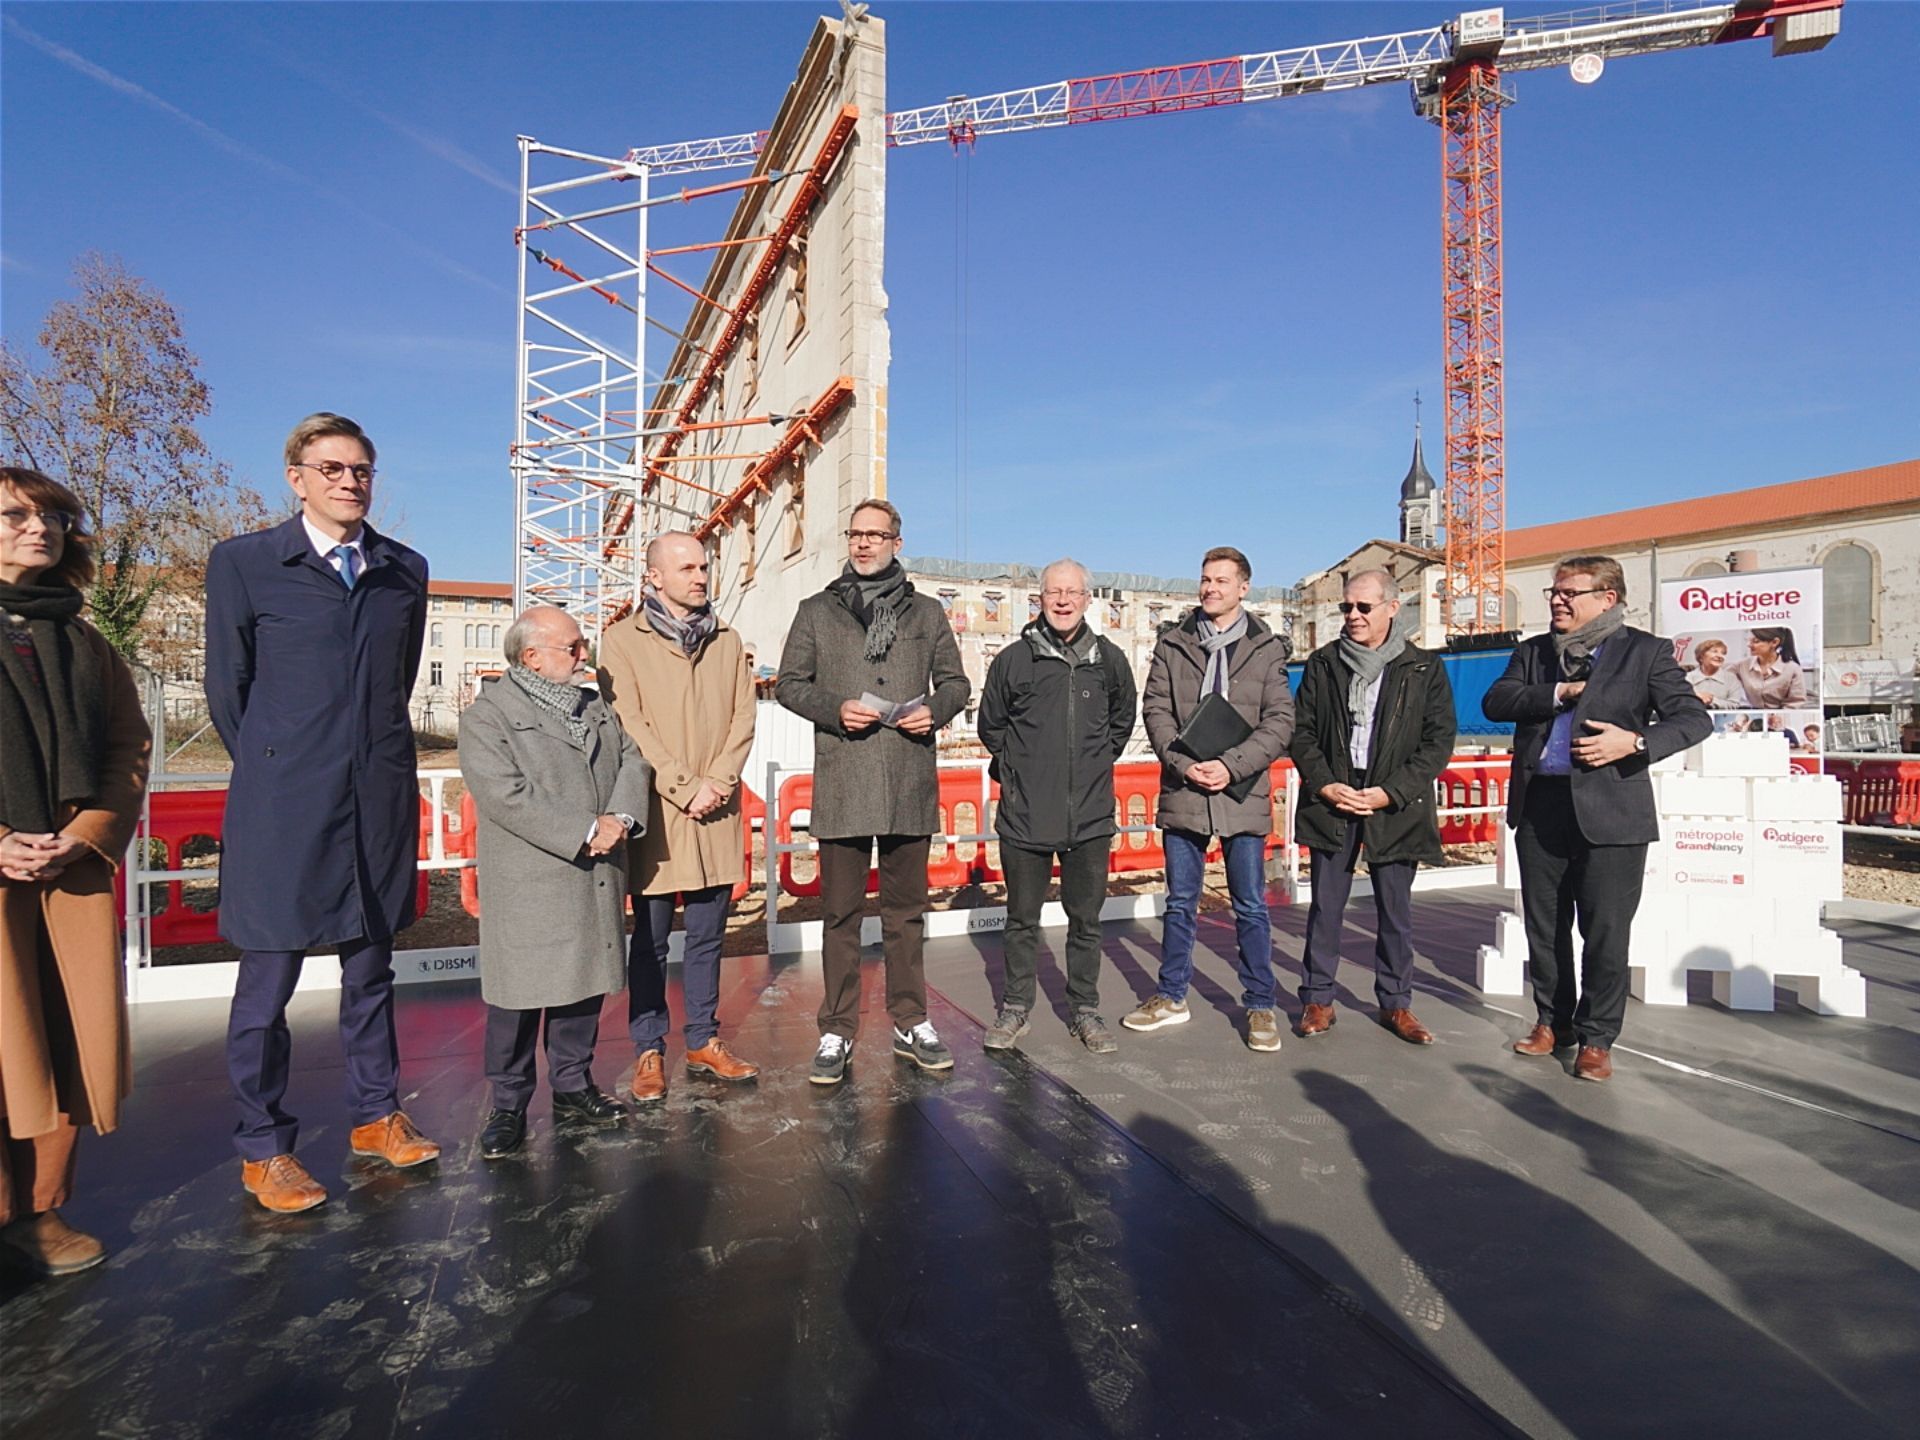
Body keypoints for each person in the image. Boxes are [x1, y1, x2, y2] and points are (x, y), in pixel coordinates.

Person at [204, 413, 438, 1212]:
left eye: (361, 469)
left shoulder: (404, 570)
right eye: (331, 468)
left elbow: (396, 680)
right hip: (284, 806)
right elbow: (228, 689)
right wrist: (283, 764)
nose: (349, 481)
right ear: (296, 478)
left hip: (374, 800)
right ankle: (263, 1146)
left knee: (370, 971)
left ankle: (375, 1115)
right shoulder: (244, 563)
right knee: (267, 984)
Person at [0, 469, 150, 1275]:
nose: (39, 528)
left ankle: (39, 1213)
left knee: (60, 1042)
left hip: (67, 876)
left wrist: (88, 833)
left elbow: (129, 749)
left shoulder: (86, 644)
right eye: (15, 515)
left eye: (53, 516)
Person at [1483, 554, 1711, 1081]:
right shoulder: (1534, 651)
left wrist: (1634, 743)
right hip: (1541, 805)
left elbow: (1692, 719)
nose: (1558, 601)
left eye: (1570, 593)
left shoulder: (1645, 652)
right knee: (1545, 926)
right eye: (1554, 593)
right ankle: (1552, 1022)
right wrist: (1559, 692)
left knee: (1605, 931)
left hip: (1613, 811)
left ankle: (1597, 1038)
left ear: (1607, 599)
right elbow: (1498, 701)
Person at [775, 499, 970, 1084]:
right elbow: (789, 684)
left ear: (896, 543)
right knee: (840, 915)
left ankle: (911, 1021)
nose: (863, 544)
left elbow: (956, 683)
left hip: (908, 779)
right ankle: (836, 1029)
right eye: (855, 534)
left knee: (905, 915)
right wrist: (835, 708)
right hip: (845, 780)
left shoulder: (927, 612)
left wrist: (935, 710)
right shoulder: (816, 611)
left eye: (875, 535)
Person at [460, 607, 653, 1158]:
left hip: (593, 875)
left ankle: (572, 1086)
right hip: (531, 882)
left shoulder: (594, 706)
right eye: (572, 647)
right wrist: (587, 830)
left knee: (582, 986)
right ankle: (508, 1105)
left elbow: (633, 762)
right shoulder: (488, 717)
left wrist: (620, 817)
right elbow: (504, 795)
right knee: (518, 999)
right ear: (532, 657)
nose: (583, 655)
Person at [598, 532, 759, 1102]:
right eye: (686, 567)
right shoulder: (621, 641)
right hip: (659, 815)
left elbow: (744, 717)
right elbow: (628, 724)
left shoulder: (727, 639)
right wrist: (685, 787)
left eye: (703, 566)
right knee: (651, 941)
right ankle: (648, 1048)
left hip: (715, 809)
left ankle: (703, 1040)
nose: (700, 576)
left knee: (709, 937)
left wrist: (720, 781)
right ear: (654, 577)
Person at [1127, 546, 1295, 1051]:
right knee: (1180, 902)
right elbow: (1155, 709)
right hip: (1185, 789)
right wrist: (1184, 764)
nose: (1210, 588)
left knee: (1250, 905)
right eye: (1205, 579)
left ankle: (1260, 1005)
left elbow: (1280, 721)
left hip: (1242, 792)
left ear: (1244, 588)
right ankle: (1171, 996)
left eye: (1221, 580)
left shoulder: (1266, 648)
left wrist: (1231, 765)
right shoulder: (1173, 643)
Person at [976, 558, 1137, 1055]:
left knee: (1086, 922)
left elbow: (1121, 723)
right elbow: (991, 726)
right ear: (1039, 598)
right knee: (1022, 920)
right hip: (1025, 815)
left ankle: (1085, 1009)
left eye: (1072, 592)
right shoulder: (1013, 661)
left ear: (1087, 599)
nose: (1063, 601)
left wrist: (1090, 767)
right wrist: (1023, 773)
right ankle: (1015, 1007)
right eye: (1053, 592)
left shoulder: (1109, 661)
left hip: (1089, 817)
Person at [1289, 570, 1456, 1045]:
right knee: (1326, 908)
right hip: (1335, 797)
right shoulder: (1324, 664)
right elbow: (1302, 732)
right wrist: (1325, 785)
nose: (1353, 616)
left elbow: (1437, 741)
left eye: (1364, 607)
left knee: (1395, 911)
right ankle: (1318, 999)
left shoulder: (1423, 667)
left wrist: (1392, 792)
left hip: (1394, 802)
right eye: (1346, 607)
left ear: (1392, 608)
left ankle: (1396, 1003)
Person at [1725, 627, 1807, 709]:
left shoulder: (1792, 669)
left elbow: (1795, 703)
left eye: (1756, 641)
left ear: (1774, 642)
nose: (1749, 645)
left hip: (1781, 713)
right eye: (1748, 640)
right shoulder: (1742, 665)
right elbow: (1722, 677)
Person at [1683, 638, 1740, 709]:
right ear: (1701, 657)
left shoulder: (1731, 678)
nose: (1720, 656)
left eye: (1723, 653)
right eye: (1714, 651)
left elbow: (1735, 705)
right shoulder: (1688, 677)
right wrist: (1697, 697)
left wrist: (1712, 700)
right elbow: (1682, 702)